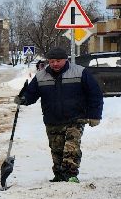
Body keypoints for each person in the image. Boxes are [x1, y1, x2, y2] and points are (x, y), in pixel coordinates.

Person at [16, 44, 104, 183]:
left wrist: (95, 115)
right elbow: (32, 94)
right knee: (56, 150)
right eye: (51, 61)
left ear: (66, 60)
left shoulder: (80, 72)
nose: (55, 64)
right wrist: (24, 99)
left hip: (76, 118)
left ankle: (70, 176)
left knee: (71, 149)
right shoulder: (41, 76)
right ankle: (59, 176)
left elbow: (95, 94)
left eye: (58, 61)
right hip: (52, 120)